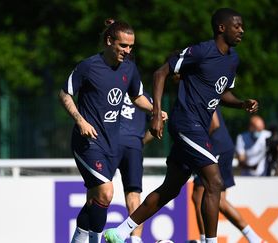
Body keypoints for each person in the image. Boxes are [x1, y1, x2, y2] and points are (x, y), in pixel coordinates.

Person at [105, 8, 258, 243]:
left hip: (197, 127)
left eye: (242, 26)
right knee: (214, 181)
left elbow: (223, 92)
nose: (242, 30)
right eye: (237, 26)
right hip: (186, 123)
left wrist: (240, 103)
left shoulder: (232, 59)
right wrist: (156, 113)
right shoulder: (202, 51)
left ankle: (121, 231)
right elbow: (160, 73)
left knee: (171, 188)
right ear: (221, 28)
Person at [59, 19, 167, 243]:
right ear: (109, 42)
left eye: (131, 47)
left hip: (110, 143)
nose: (127, 51)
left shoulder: (129, 67)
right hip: (87, 141)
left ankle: (78, 238)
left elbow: (137, 97)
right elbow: (64, 94)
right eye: (123, 46)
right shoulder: (88, 66)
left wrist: (156, 110)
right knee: (107, 192)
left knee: (95, 200)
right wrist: (80, 120)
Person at [191, 108, 265, 243]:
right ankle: (254, 239)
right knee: (219, 201)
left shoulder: (197, 89)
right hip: (221, 146)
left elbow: (214, 123)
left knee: (199, 195)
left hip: (214, 146)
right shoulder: (199, 88)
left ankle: (204, 240)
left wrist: (195, 143)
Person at [116, 93, 154, 243]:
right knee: (134, 195)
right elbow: (157, 125)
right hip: (133, 146)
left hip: (110, 144)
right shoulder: (146, 98)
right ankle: (136, 240)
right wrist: (140, 143)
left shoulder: (112, 89)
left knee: (100, 191)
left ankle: (93, 236)